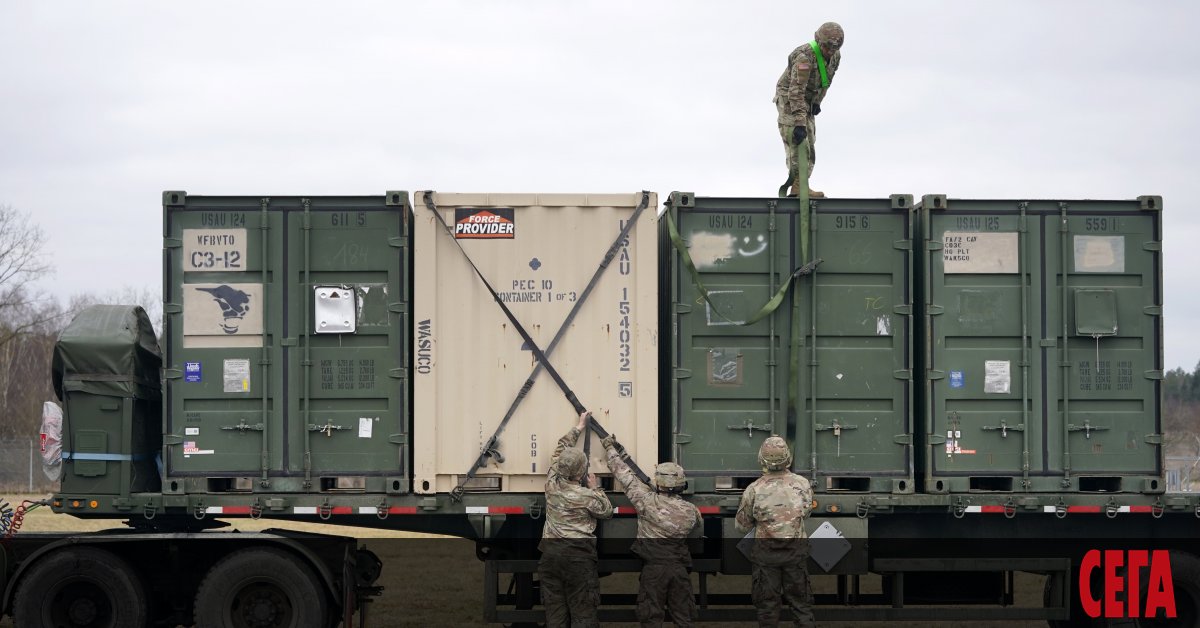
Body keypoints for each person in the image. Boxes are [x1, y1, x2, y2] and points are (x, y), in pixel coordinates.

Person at [601, 434, 703, 627]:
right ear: (682, 484)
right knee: (683, 618)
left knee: (651, 618)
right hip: (679, 570)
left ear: (658, 483)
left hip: (653, 570)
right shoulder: (691, 511)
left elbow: (624, 475)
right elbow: (696, 523)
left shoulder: (646, 502)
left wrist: (610, 448)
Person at [538, 411, 613, 628]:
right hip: (578, 559)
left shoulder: (551, 486)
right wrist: (595, 487)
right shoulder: (587, 496)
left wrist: (578, 428)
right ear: (581, 473)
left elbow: (559, 452)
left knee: (555, 615)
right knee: (583, 614)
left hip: (550, 557)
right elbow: (606, 511)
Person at [734, 436, 816, 627]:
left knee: (767, 610)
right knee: (802, 607)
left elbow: (742, 526)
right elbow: (807, 513)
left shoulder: (754, 489)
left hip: (766, 558)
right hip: (796, 555)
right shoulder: (802, 484)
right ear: (788, 458)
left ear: (762, 459)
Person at [775, 21, 845, 199]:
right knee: (799, 141)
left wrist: (817, 101)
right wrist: (799, 122)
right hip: (790, 98)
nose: (830, 52)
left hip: (807, 98)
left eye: (833, 49)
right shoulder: (804, 57)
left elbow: (826, 81)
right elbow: (795, 90)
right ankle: (798, 185)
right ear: (819, 42)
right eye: (827, 48)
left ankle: (801, 184)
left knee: (810, 141)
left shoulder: (835, 56)